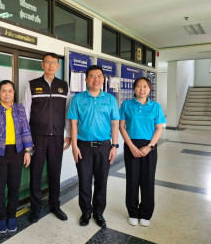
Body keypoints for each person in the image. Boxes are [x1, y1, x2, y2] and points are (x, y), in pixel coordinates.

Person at [67, 65, 119, 228]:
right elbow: (73, 124)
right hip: (83, 147)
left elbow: (115, 124)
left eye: (99, 76)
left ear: (103, 79)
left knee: (102, 181)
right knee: (84, 181)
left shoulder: (110, 99)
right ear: (86, 80)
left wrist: (115, 145)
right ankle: (86, 212)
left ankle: (99, 213)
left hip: (104, 146)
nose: (96, 79)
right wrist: (74, 146)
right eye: (92, 76)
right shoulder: (77, 99)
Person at [23, 52, 71, 223]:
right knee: (35, 174)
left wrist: (68, 134)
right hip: (37, 137)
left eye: (54, 62)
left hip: (57, 136)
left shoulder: (64, 86)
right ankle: (35, 208)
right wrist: (26, 139)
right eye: (48, 62)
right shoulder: (32, 85)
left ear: (58, 66)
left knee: (54, 172)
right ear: (42, 65)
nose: (51, 65)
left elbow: (67, 113)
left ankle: (55, 205)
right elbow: (25, 113)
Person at [0, 80, 33, 233]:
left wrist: (28, 152)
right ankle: (1, 218)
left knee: (14, 186)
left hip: (17, 152)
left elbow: (26, 130)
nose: (7, 94)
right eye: (3, 91)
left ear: (14, 93)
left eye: (10, 91)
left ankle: (11, 216)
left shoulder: (20, 109)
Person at [119, 77, 166, 227]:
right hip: (131, 144)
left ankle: (146, 213)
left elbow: (159, 128)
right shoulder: (126, 105)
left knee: (147, 180)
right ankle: (132, 212)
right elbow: (121, 127)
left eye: (145, 86)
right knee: (132, 180)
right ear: (134, 89)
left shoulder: (156, 107)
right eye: (138, 86)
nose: (141, 89)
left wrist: (150, 146)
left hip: (149, 146)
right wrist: (131, 146)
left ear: (149, 89)